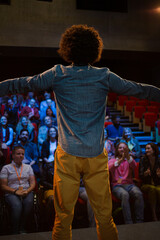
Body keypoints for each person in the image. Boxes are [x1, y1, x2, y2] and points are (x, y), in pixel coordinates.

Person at [0, 25, 160, 240]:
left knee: (63, 217)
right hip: (95, 157)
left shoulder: (58, 73)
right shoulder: (104, 75)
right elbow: (140, 89)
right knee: (104, 217)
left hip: (68, 158)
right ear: (95, 50)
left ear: (68, 49)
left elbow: (21, 83)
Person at [0, 145, 35, 234]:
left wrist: (28, 190)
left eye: (22, 154)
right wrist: (16, 191)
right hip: (11, 192)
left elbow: (33, 183)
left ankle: (22, 227)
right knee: (17, 206)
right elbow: (3, 186)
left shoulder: (28, 167)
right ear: (13, 155)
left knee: (29, 202)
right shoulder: (6, 168)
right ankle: (14, 230)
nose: (21, 156)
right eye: (18, 154)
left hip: (26, 191)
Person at [109, 142, 144, 224]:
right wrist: (121, 159)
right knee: (125, 195)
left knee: (138, 193)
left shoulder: (129, 160)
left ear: (127, 149)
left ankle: (139, 220)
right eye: (120, 148)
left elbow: (134, 166)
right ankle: (128, 222)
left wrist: (127, 156)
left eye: (124, 148)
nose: (122, 149)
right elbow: (111, 167)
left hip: (129, 185)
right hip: (117, 186)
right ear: (117, 150)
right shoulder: (112, 160)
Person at [139, 143, 160, 221]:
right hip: (146, 184)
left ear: (154, 150)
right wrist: (145, 174)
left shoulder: (159, 160)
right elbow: (140, 175)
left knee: (158, 190)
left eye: (148, 148)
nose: (146, 150)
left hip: (157, 183)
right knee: (152, 189)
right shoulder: (143, 160)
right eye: (146, 149)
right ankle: (153, 214)